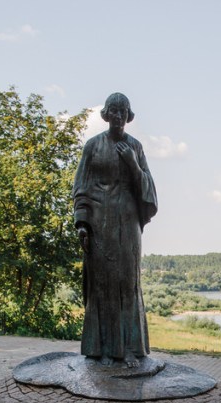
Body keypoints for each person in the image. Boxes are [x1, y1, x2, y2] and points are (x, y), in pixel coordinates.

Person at [73, 92, 158, 368]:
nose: (118, 116)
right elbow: (81, 187)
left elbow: (149, 189)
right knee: (102, 285)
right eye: (114, 111)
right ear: (106, 115)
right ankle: (102, 350)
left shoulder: (135, 147)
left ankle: (131, 349)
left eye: (123, 112)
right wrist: (82, 223)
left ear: (128, 116)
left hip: (128, 224)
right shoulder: (93, 146)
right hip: (99, 224)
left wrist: (133, 164)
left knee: (128, 283)